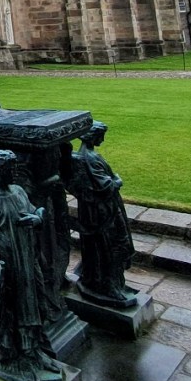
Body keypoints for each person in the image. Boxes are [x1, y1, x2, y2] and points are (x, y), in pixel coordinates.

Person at [0, 150, 63, 381]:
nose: (15, 173)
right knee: (16, 307)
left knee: (35, 301)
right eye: (10, 170)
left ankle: (34, 351)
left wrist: (38, 218)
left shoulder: (19, 191)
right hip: (8, 263)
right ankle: (16, 355)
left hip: (27, 257)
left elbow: (36, 211)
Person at [69, 122, 137, 307]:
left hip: (103, 209)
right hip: (102, 212)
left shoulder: (83, 156)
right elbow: (104, 186)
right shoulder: (87, 159)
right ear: (93, 136)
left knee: (104, 247)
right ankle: (109, 286)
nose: (103, 139)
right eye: (101, 135)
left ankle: (113, 283)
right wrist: (117, 180)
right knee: (114, 247)